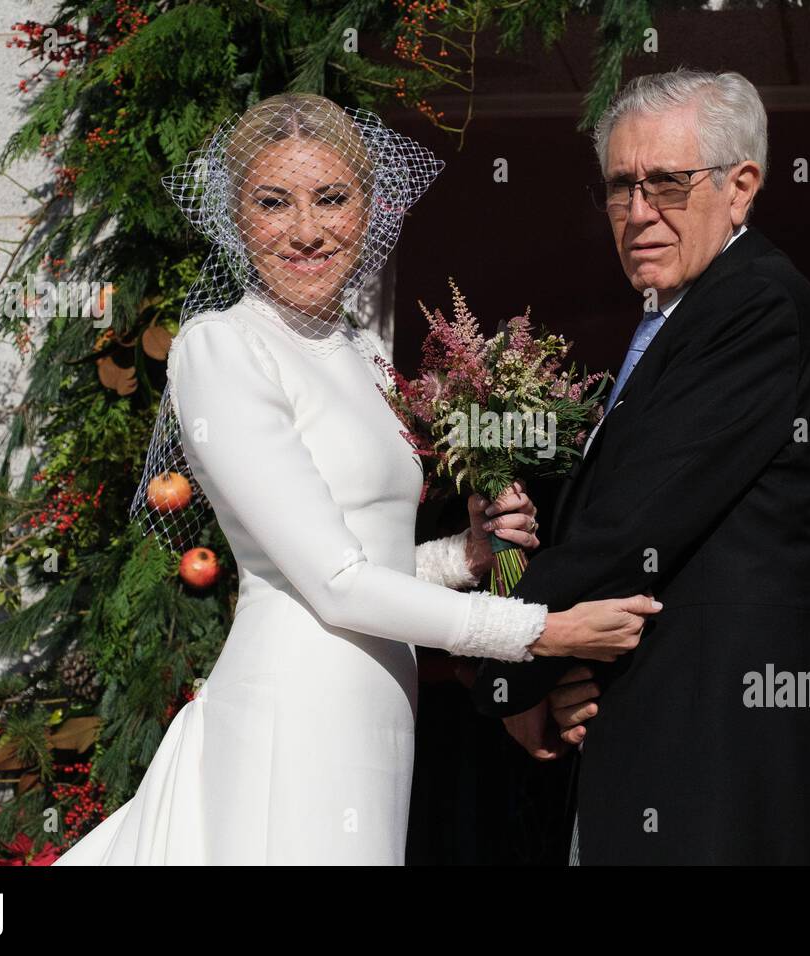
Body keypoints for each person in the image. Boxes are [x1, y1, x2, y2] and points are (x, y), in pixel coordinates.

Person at [53, 93, 658, 866]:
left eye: (331, 199)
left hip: (378, 712)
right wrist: (538, 631)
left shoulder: (365, 352)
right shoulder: (223, 347)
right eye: (274, 203)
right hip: (292, 709)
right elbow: (333, 583)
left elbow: (364, 557)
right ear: (237, 219)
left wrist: (462, 557)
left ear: (370, 211)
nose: (306, 230)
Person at [473, 69, 810, 865]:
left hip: (715, 762)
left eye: (668, 185)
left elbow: (633, 523)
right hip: (656, 747)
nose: (639, 213)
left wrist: (510, 658)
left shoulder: (756, 310)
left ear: (741, 185)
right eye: (621, 187)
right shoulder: (682, 315)